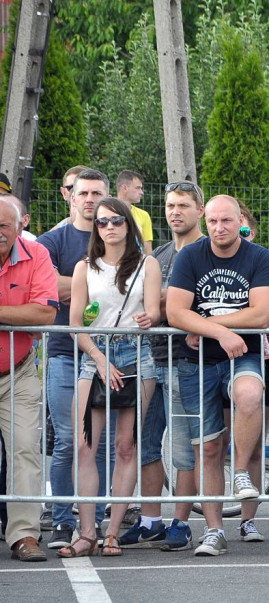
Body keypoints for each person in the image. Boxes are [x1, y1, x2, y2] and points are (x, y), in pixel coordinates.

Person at [166, 195, 269, 557]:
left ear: (239, 220)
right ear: (205, 219)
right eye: (213, 221)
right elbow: (175, 312)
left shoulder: (258, 256)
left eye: (226, 221)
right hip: (195, 362)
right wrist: (222, 331)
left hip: (241, 355)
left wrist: (212, 326)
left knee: (249, 396)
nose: (219, 228)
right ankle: (214, 530)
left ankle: (242, 470)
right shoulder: (190, 256)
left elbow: (261, 313)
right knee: (208, 448)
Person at [58, 198, 161, 558]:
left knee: (126, 446)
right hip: (95, 356)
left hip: (136, 357)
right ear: (96, 228)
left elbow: (154, 312)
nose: (110, 227)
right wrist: (100, 361)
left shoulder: (148, 265)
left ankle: (113, 532)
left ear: (129, 225)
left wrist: (151, 319)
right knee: (85, 445)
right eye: (102, 222)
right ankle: (86, 532)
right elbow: (75, 325)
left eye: (117, 220)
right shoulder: (84, 267)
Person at [122, 181, 207, 552]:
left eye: (184, 205)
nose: (175, 212)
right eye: (170, 205)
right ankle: (151, 520)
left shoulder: (208, 252)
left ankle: (182, 523)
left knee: (184, 451)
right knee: (144, 443)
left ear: (199, 211)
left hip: (189, 363)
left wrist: (164, 304)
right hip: (151, 360)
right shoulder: (157, 254)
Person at [36, 168, 115, 550]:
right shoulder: (52, 241)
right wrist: (96, 284)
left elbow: (136, 286)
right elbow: (47, 286)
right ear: (70, 196)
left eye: (96, 193)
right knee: (69, 439)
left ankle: (95, 521)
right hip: (66, 355)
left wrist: (77, 288)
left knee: (104, 443)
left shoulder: (118, 238)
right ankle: (62, 519)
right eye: (82, 193)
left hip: (114, 357)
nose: (89, 199)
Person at [0, 199, 58, 561]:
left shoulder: (37, 255)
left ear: (20, 226)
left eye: (4, 225)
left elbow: (45, 313)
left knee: (25, 449)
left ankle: (24, 535)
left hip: (17, 371)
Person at [116, 170, 153, 254]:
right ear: (125, 188)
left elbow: (148, 251)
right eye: (138, 188)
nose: (142, 192)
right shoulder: (107, 212)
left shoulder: (144, 215)